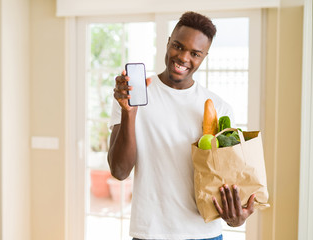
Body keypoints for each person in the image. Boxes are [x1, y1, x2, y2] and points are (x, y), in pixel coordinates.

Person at [108, 11, 255, 240]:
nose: (184, 58)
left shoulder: (219, 108)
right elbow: (119, 171)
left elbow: (226, 180)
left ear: (204, 56)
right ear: (168, 43)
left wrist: (235, 217)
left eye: (195, 53)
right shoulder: (131, 96)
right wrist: (129, 113)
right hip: (150, 233)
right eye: (178, 46)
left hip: (205, 233)